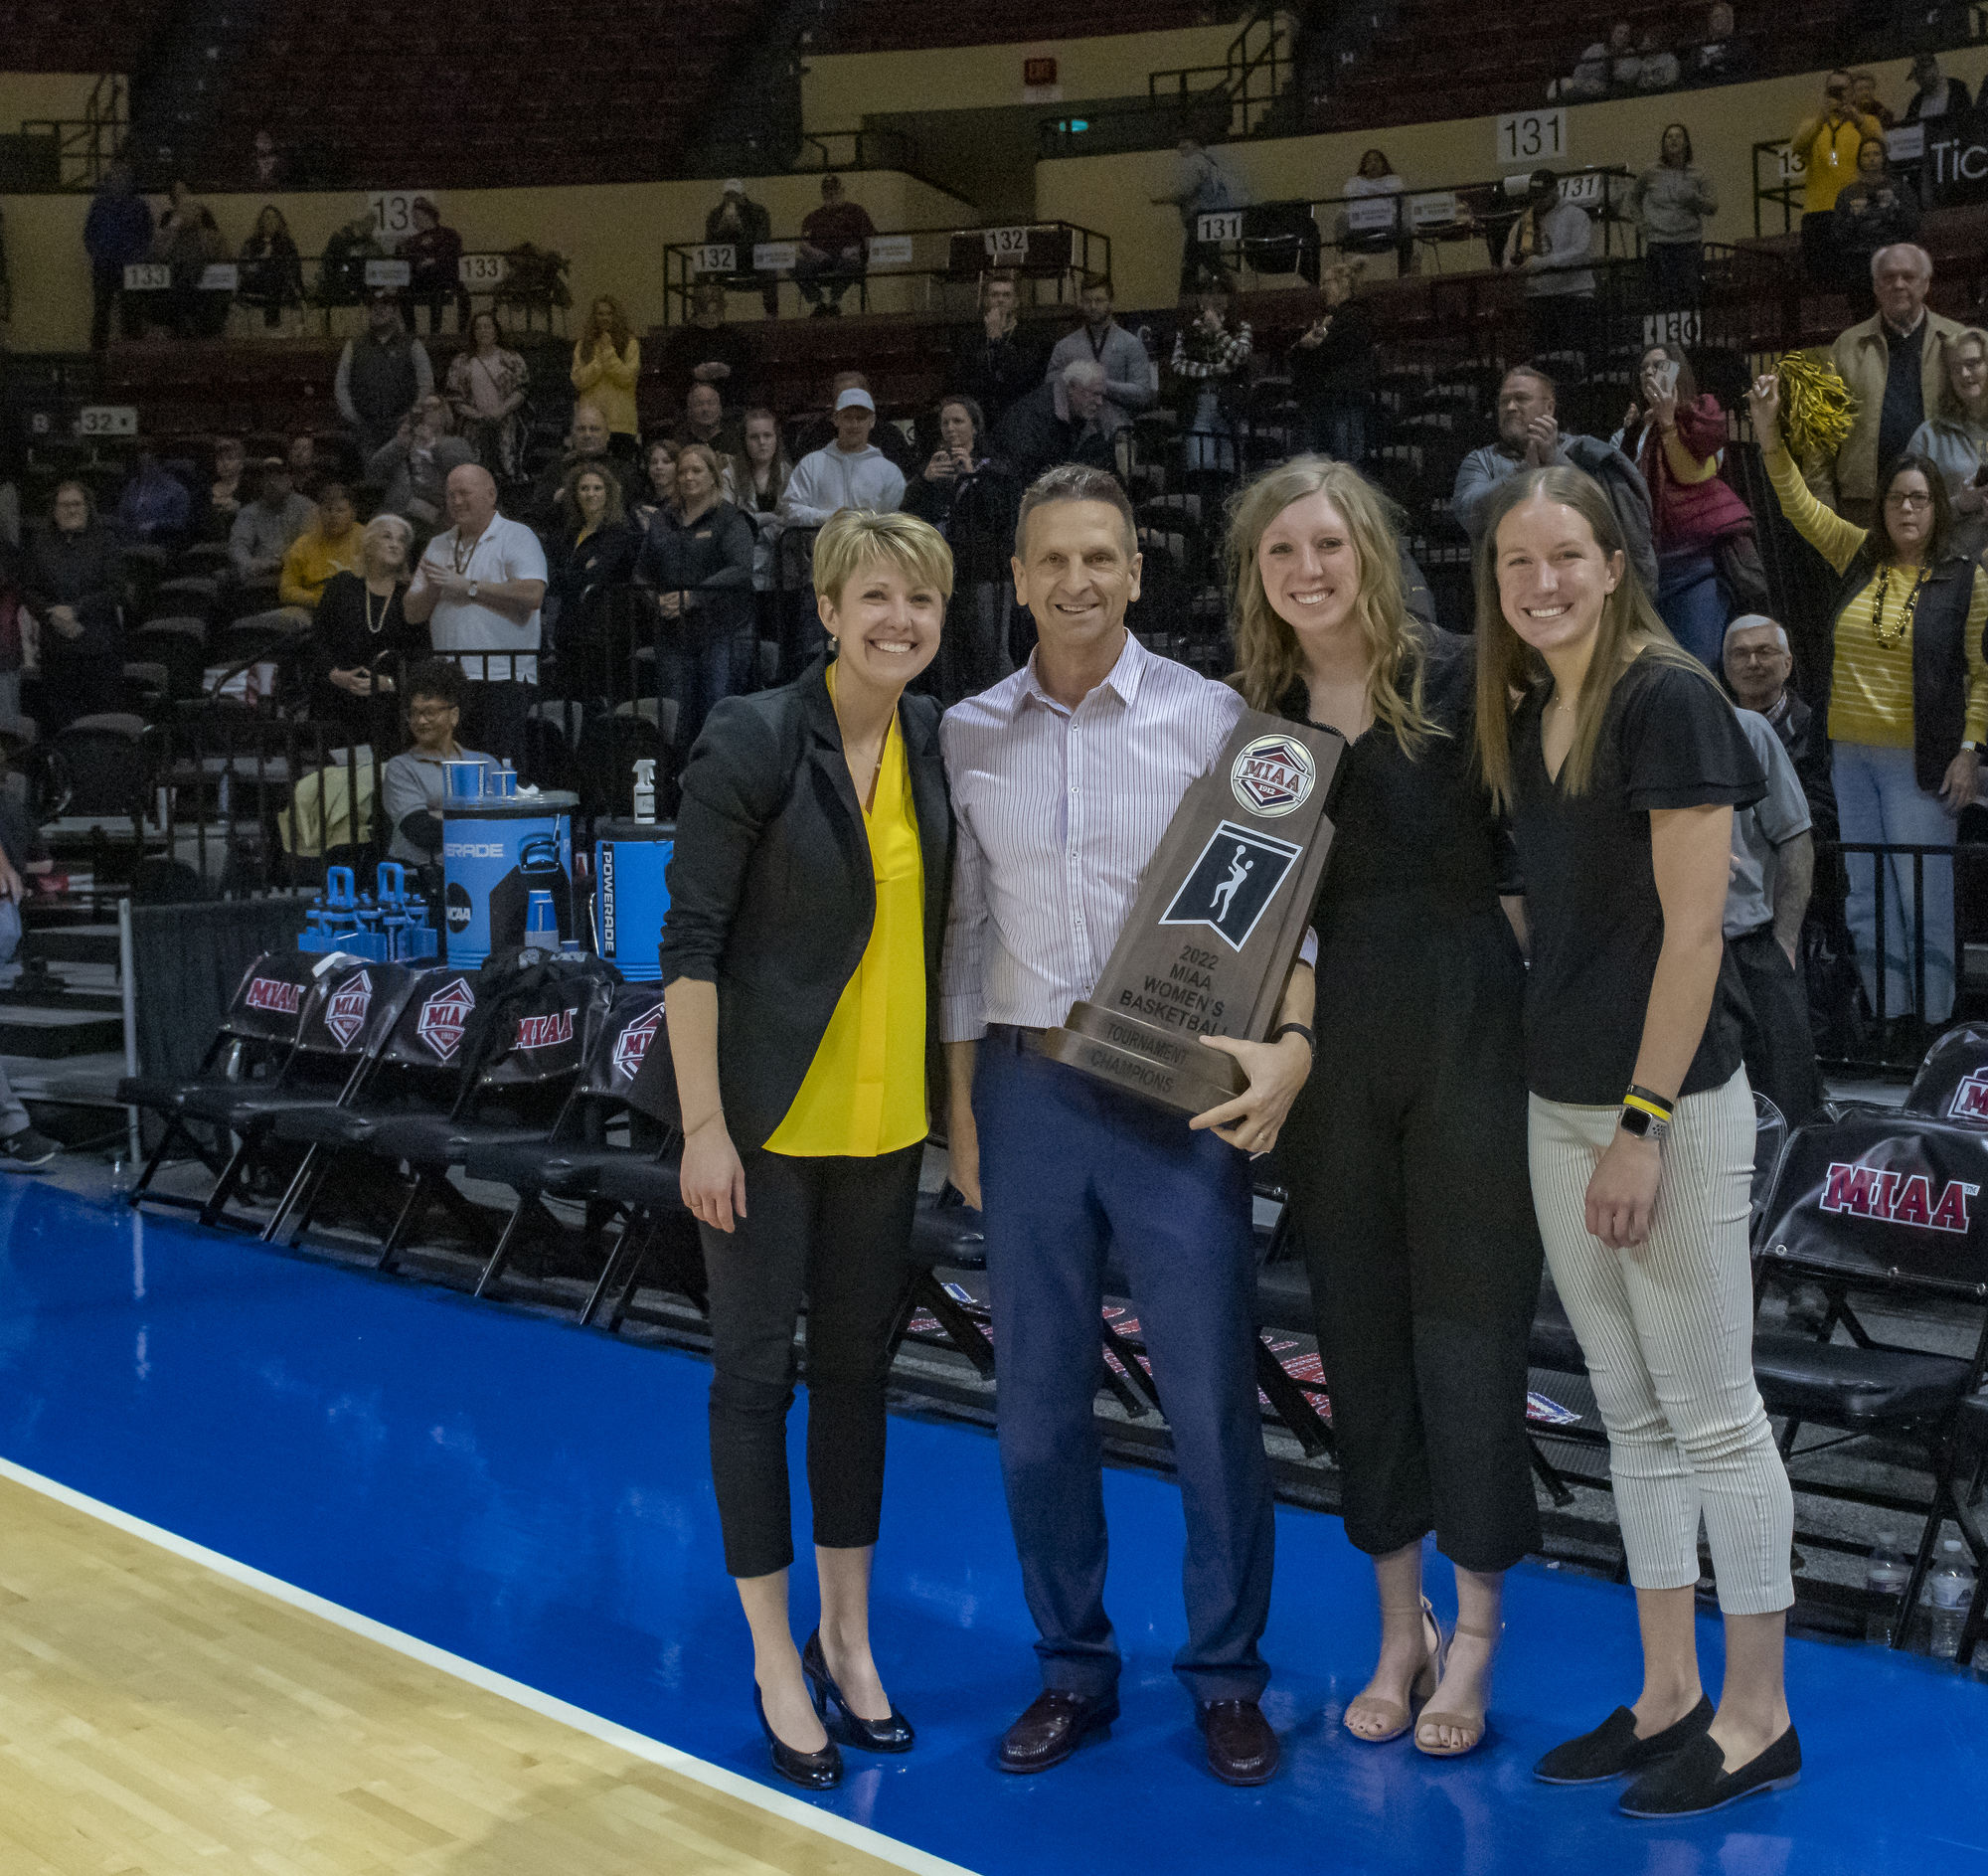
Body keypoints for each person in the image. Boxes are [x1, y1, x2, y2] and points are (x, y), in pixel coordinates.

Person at [942, 465, 1311, 1790]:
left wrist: (1289, 1043)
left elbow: (1279, 914)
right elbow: (963, 932)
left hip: (1173, 1098)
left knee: (1212, 1398)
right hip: (1028, 1088)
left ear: (1137, 571)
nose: (1078, 580)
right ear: (1021, 575)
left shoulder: (1213, 717)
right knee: (1038, 1408)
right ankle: (1071, 1664)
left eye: (1101, 556)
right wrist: (960, 1110)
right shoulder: (969, 730)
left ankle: (1225, 1674)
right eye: (1053, 559)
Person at [1472, 463, 1797, 1821]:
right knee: (1635, 1412)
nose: (1541, 582)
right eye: (1515, 563)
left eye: (1567, 556)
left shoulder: (1672, 698)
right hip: (1560, 1103)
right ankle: (1668, 1688)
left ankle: (1759, 1709)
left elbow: (1691, 930)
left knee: (1717, 1415)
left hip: (1662, 1113)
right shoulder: (1533, 708)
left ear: (1618, 563)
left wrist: (1642, 1124)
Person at [1231, 456, 1540, 1760]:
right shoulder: (1260, 726)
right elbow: (1262, 916)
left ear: (1367, 547)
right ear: (1258, 577)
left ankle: (1474, 1631)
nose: (1308, 569)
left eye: (1326, 543)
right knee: (1358, 1337)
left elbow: (1529, 882)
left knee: (1468, 1337)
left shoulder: (1472, 675)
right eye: (1280, 552)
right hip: (1333, 1056)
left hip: (1471, 1034)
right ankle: (1397, 1625)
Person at [660, 508, 955, 1791]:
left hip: (885, 1132)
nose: (900, 622)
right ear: (827, 610)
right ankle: (776, 1659)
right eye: (876, 598)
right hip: (765, 1132)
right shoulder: (755, 736)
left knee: (853, 1383)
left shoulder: (937, 742)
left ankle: (847, 1634)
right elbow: (689, 950)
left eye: (924, 603)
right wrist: (703, 1127)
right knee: (749, 1383)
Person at [1750, 370, 1988, 1037]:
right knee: (1868, 896)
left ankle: (1934, 1030)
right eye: (1895, 500)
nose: (1906, 510)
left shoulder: (1967, 579)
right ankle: (1888, 1018)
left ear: (1937, 506)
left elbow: (1982, 674)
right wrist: (1770, 436)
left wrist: (1970, 753)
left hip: (1923, 760)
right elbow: (1798, 505)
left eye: (1918, 499)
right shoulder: (1857, 554)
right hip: (1849, 760)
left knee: (1923, 898)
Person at [1617, 343, 1767, 664]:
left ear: (1677, 371)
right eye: (1643, 368)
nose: (1648, 373)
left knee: (1697, 661)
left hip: (1697, 563)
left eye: (1658, 365)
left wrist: (1668, 422)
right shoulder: (1639, 427)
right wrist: (1638, 428)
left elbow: (1691, 474)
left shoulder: (1703, 411)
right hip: (1652, 565)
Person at [1453, 367, 1658, 597]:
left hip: (1581, 596)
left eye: (1521, 399)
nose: (1510, 407)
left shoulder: (1583, 452)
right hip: (1509, 601)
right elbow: (1469, 513)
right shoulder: (1481, 461)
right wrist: (1524, 471)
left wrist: (1555, 459)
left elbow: (1608, 516)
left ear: (1549, 407)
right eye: (1504, 402)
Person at [403, 464, 548, 768]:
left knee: (501, 769)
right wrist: (434, 587)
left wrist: (467, 587)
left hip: (502, 674)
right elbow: (412, 613)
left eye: (464, 493)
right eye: (450, 495)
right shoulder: (438, 543)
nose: (456, 502)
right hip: (451, 679)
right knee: (457, 768)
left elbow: (532, 594)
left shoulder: (517, 536)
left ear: (490, 494)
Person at [1727, 698, 1824, 1126]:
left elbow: (1795, 838)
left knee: (1789, 1106)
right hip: (1653, 950)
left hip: (1748, 947)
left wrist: (1784, 942)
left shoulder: (1746, 730)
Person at [1830, 245, 1966, 527]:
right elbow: (1820, 438)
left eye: (1908, 276)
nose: (1898, 284)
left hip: (1945, 502)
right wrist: (1823, 508)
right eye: (1888, 277)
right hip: (1864, 506)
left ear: (1926, 283)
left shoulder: (1959, 342)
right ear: (1876, 287)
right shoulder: (1846, 347)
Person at [636, 443, 756, 759]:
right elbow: (642, 573)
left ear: (713, 476)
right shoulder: (663, 520)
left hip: (720, 633)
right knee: (675, 720)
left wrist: (694, 596)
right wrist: (657, 601)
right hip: (672, 634)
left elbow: (740, 568)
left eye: (697, 470)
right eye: (684, 471)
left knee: (715, 714)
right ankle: (677, 787)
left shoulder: (730, 519)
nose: (689, 477)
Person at [902, 395, 1020, 704]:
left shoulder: (995, 467)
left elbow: (998, 516)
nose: (951, 428)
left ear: (975, 427)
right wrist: (924, 482)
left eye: (958, 421)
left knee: (991, 651)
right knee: (947, 654)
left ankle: (1009, 714)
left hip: (986, 574)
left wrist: (973, 477)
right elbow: (908, 518)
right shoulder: (934, 468)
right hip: (943, 576)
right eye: (945, 422)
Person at [20, 481, 125, 732]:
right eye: (64, 505)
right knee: (61, 726)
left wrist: (76, 610)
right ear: (54, 511)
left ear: (88, 508)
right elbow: (28, 590)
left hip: (98, 648)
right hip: (56, 651)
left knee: (100, 725)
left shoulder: (105, 541)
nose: (71, 510)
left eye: (77, 504)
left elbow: (116, 589)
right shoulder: (40, 543)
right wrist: (52, 614)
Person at [310, 513, 425, 741]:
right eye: (387, 537)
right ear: (368, 545)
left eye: (402, 540)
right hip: (339, 700)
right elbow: (318, 639)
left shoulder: (411, 597)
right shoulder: (342, 585)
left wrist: (390, 682)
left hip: (391, 709)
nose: (395, 544)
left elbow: (421, 653)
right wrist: (335, 675)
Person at [380, 659, 493, 869]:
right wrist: (480, 819)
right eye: (414, 713)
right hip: (421, 875)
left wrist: (441, 814)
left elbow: (512, 817)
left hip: (480, 869)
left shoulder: (485, 763)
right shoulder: (401, 767)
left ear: (454, 715)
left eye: (429, 712)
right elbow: (422, 831)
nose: (420, 721)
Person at [544, 462, 639, 710]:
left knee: (598, 702)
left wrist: (575, 575)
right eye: (584, 488)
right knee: (571, 701)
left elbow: (597, 575)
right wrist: (580, 572)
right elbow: (554, 579)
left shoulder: (619, 533)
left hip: (603, 634)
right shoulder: (569, 533)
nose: (591, 494)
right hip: (569, 629)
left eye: (597, 488)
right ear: (574, 494)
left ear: (608, 493)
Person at [1791, 73, 1884, 284]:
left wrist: (1857, 119)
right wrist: (1820, 119)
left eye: (1843, 90)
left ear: (1852, 93)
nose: (1839, 95)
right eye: (1833, 90)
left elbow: (1881, 146)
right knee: (1823, 283)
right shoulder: (1812, 125)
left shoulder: (1866, 122)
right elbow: (1797, 146)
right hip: (1818, 213)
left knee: (1860, 281)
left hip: (1855, 210)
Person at [1907, 326, 1988, 568]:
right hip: (1951, 571)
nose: (1964, 374)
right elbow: (1908, 512)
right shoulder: (1929, 435)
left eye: (1973, 363)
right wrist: (1960, 504)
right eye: (1955, 368)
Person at [1044, 276, 1155, 440]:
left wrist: (1101, 385)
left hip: (1119, 435)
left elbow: (1143, 394)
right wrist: (1077, 386)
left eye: (1099, 300)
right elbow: (1050, 388)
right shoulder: (1064, 346)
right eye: (1087, 301)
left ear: (1111, 303)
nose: (1093, 306)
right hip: (1074, 438)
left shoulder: (1131, 344)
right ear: (1080, 303)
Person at [779, 390, 908, 529]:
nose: (854, 424)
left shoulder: (889, 472)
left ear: (872, 421)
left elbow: (897, 519)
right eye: (847, 417)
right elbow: (790, 510)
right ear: (836, 419)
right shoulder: (811, 464)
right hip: (820, 547)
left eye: (861, 418)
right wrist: (830, 518)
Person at [1503, 171, 1595, 363]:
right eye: (1534, 197)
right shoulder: (1522, 224)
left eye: (1542, 196)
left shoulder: (1576, 216)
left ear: (1555, 191)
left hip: (1573, 295)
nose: (1538, 202)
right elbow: (1507, 261)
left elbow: (1581, 253)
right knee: (1544, 359)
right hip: (1538, 298)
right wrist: (1516, 264)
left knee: (1571, 356)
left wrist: (1545, 261)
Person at [1287, 263, 1375, 464]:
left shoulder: (1355, 317)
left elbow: (1328, 354)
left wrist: (1309, 347)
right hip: (1324, 405)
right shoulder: (1328, 320)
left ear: (1342, 284)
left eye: (1326, 282)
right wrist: (1305, 346)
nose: (1322, 289)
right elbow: (1297, 357)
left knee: (1344, 469)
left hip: (1343, 404)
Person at [1626, 125, 1718, 309]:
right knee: (1660, 300)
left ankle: (1690, 336)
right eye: (1669, 137)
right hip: (1659, 244)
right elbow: (1632, 199)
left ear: (1686, 143)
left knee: (1689, 299)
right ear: (1663, 143)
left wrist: (1693, 198)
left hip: (1688, 245)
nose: (1673, 140)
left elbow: (1712, 207)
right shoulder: (1650, 172)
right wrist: (1643, 227)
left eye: (1678, 136)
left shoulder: (1698, 173)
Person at [335, 296, 435, 460]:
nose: (378, 309)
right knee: (371, 480)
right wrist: (352, 415)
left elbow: (426, 383)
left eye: (385, 305)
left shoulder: (412, 344)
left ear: (395, 311)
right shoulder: (353, 345)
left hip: (404, 429)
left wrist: (413, 414)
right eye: (374, 306)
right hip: (366, 429)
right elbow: (341, 385)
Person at [1170, 284, 1252, 478]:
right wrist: (1213, 369)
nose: (1215, 299)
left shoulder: (1241, 327)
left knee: (1230, 472)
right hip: (1198, 405)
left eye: (1220, 293)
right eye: (1208, 293)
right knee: (1200, 471)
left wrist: (1218, 330)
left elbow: (1239, 356)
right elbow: (1178, 364)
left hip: (1231, 406)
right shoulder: (1188, 330)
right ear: (1199, 300)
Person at [993, 361, 1116, 486]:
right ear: (1072, 387)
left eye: (1101, 395)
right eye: (1095, 394)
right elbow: (1024, 474)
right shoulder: (1034, 416)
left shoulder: (1086, 420)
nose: (1100, 402)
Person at [1833, 139, 1921, 312]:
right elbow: (1838, 234)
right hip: (1859, 260)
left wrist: (1894, 207)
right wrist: (1854, 217)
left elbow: (1912, 226)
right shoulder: (1847, 194)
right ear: (1859, 159)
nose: (1871, 159)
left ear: (1883, 158)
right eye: (1866, 155)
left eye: (1876, 154)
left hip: (1893, 256)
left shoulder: (1900, 189)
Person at [1151, 133, 1246, 292]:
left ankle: (1190, 299)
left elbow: (1185, 191)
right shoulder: (1211, 164)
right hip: (1214, 218)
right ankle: (1225, 290)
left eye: (1184, 142)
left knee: (1199, 261)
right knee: (1203, 259)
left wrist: (1161, 199)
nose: (1179, 146)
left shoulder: (1195, 162)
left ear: (1195, 143)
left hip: (1201, 220)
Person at [445, 310, 531, 481]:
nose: (483, 331)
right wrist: (477, 415)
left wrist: (501, 411)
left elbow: (522, 389)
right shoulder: (462, 362)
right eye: (478, 328)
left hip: (506, 423)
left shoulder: (511, 359)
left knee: (507, 471)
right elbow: (454, 396)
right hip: (473, 425)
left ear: (496, 330)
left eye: (487, 327)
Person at [952, 272, 1044, 431]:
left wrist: (996, 339)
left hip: (1017, 411)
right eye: (994, 295)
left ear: (1016, 302)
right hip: (978, 412)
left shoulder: (1030, 335)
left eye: (1006, 295)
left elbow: (1022, 376)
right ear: (986, 301)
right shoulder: (970, 337)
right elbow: (965, 378)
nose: (1000, 300)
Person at [368, 394, 476, 527]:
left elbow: (465, 475)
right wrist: (398, 445)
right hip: (395, 516)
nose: (425, 411)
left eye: (432, 407)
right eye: (420, 407)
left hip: (434, 521)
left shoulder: (455, 443)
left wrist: (432, 444)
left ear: (444, 414)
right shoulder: (403, 441)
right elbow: (373, 472)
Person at [83, 161, 153, 350]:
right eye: (117, 178)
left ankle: (129, 358)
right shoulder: (100, 205)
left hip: (128, 267)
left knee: (130, 313)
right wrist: (98, 253)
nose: (120, 182)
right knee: (102, 313)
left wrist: (137, 256)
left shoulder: (138, 206)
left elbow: (147, 236)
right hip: (106, 265)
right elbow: (89, 234)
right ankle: (99, 358)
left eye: (124, 178)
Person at [658, 282, 758, 407]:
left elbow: (752, 371)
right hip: (691, 405)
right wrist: (693, 374)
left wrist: (729, 372)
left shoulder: (737, 338)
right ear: (695, 306)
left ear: (723, 306)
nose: (710, 310)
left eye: (715, 303)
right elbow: (668, 373)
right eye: (704, 304)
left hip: (730, 403)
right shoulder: (681, 340)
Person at [727, 408, 791, 592]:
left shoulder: (788, 473)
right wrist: (772, 519)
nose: (761, 442)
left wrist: (754, 526)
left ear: (776, 439)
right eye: (754, 437)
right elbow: (730, 524)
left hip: (782, 571)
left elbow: (791, 520)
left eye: (767, 435)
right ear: (744, 441)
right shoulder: (728, 475)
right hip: (742, 568)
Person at [571, 296, 641, 458]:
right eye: (600, 313)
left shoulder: (630, 343)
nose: (605, 318)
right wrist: (600, 360)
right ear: (594, 317)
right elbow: (578, 381)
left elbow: (626, 378)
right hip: (591, 425)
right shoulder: (583, 345)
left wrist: (608, 351)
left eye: (609, 313)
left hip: (621, 425)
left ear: (616, 316)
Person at [229, 457, 315, 590]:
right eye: (267, 477)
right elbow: (238, 546)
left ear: (290, 480)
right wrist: (250, 564)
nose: (272, 482)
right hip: (258, 577)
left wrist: (284, 561)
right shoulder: (249, 512)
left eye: (278, 476)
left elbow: (310, 545)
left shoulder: (308, 508)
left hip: (297, 577)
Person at [529, 402, 616, 531]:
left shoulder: (625, 471)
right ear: (572, 434)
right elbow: (537, 514)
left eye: (594, 429)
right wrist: (557, 502)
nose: (587, 435)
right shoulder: (556, 469)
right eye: (581, 429)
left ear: (607, 435)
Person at [795, 176, 876, 316]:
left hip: (847, 259)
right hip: (821, 259)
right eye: (827, 192)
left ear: (842, 191)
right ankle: (818, 302)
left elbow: (870, 239)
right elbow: (803, 245)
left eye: (834, 191)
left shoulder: (856, 212)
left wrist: (855, 249)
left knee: (853, 263)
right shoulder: (813, 217)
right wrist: (814, 252)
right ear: (822, 193)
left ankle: (834, 302)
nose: (831, 195)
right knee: (794, 265)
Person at [279, 482, 365, 612]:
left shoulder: (367, 539)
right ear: (319, 512)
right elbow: (286, 589)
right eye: (328, 509)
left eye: (340, 510)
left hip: (356, 609)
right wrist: (317, 599)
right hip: (312, 608)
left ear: (353, 513)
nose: (333, 516)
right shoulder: (303, 544)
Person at [703, 179, 776, 317]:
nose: (732, 199)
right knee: (700, 267)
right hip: (725, 262)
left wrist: (741, 230)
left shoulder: (758, 212)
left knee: (770, 267)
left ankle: (771, 313)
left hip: (750, 259)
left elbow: (762, 240)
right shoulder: (715, 215)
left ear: (743, 196)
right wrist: (720, 230)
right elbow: (708, 244)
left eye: (735, 196)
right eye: (728, 196)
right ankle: (702, 312)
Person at [399, 198, 467, 336]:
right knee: (403, 291)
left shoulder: (448, 234)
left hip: (443, 278)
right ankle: (411, 331)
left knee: (443, 290)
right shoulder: (413, 241)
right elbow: (410, 261)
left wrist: (434, 260)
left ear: (427, 215)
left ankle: (436, 333)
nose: (414, 220)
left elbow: (453, 253)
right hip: (421, 279)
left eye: (417, 216)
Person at [1340, 147, 1412, 274]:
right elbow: (1349, 199)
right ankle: (1346, 277)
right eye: (1369, 161)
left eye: (1377, 161)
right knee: (1341, 225)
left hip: (1389, 225)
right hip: (1360, 226)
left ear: (1384, 166)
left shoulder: (1394, 181)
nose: (1373, 164)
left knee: (1406, 232)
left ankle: (1404, 274)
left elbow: (1399, 199)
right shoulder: (1354, 183)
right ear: (1364, 166)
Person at [237, 205, 304, 331]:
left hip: (282, 295)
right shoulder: (251, 244)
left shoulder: (287, 244)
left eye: (274, 217)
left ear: (280, 222)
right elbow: (243, 269)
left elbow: (295, 270)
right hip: (256, 294)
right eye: (267, 217)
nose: (270, 221)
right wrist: (262, 259)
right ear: (261, 221)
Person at [114, 448, 192, 547]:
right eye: (142, 466)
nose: (145, 470)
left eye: (150, 466)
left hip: (159, 542)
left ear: (160, 466)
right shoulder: (133, 485)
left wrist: (156, 525)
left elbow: (180, 522)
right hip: (128, 539)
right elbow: (121, 511)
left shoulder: (176, 490)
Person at [317, 212, 384, 310]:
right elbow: (329, 266)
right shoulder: (340, 241)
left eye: (371, 225)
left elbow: (379, 271)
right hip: (343, 292)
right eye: (364, 223)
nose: (368, 228)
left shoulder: (373, 247)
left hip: (362, 293)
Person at [674, 382, 742, 459]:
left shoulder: (736, 441)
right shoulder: (679, 445)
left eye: (711, 403)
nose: (705, 409)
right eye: (698, 404)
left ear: (720, 408)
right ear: (689, 410)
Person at [1904, 52, 1972, 122]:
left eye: (1921, 75)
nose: (1919, 81)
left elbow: (1967, 121)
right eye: (1916, 77)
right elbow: (1909, 127)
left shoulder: (1958, 90)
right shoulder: (1916, 102)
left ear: (1935, 69)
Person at [633, 438, 681, 532]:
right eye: (653, 462)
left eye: (666, 462)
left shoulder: (686, 504)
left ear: (678, 466)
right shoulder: (638, 505)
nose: (659, 467)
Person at [1549, 36, 1611, 101]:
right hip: (1583, 83)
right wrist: (1585, 84)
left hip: (1602, 87)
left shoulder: (1615, 56)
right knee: (1560, 84)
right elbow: (1579, 71)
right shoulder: (1594, 50)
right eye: (1620, 32)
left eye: (1623, 34)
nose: (1622, 36)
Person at [207, 437, 248, 539]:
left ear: (241, 464)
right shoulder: (205, 490)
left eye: (230, 458)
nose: (225, 463)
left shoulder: (248, 489)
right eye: (220, 459)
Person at [1693, 2, 1740, 81]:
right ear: (1710, 21)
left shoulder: (1737, 45)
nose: (1718, 20)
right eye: (1715, 17)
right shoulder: (1700, 47)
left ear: (1729, 20)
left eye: (1722, 16)